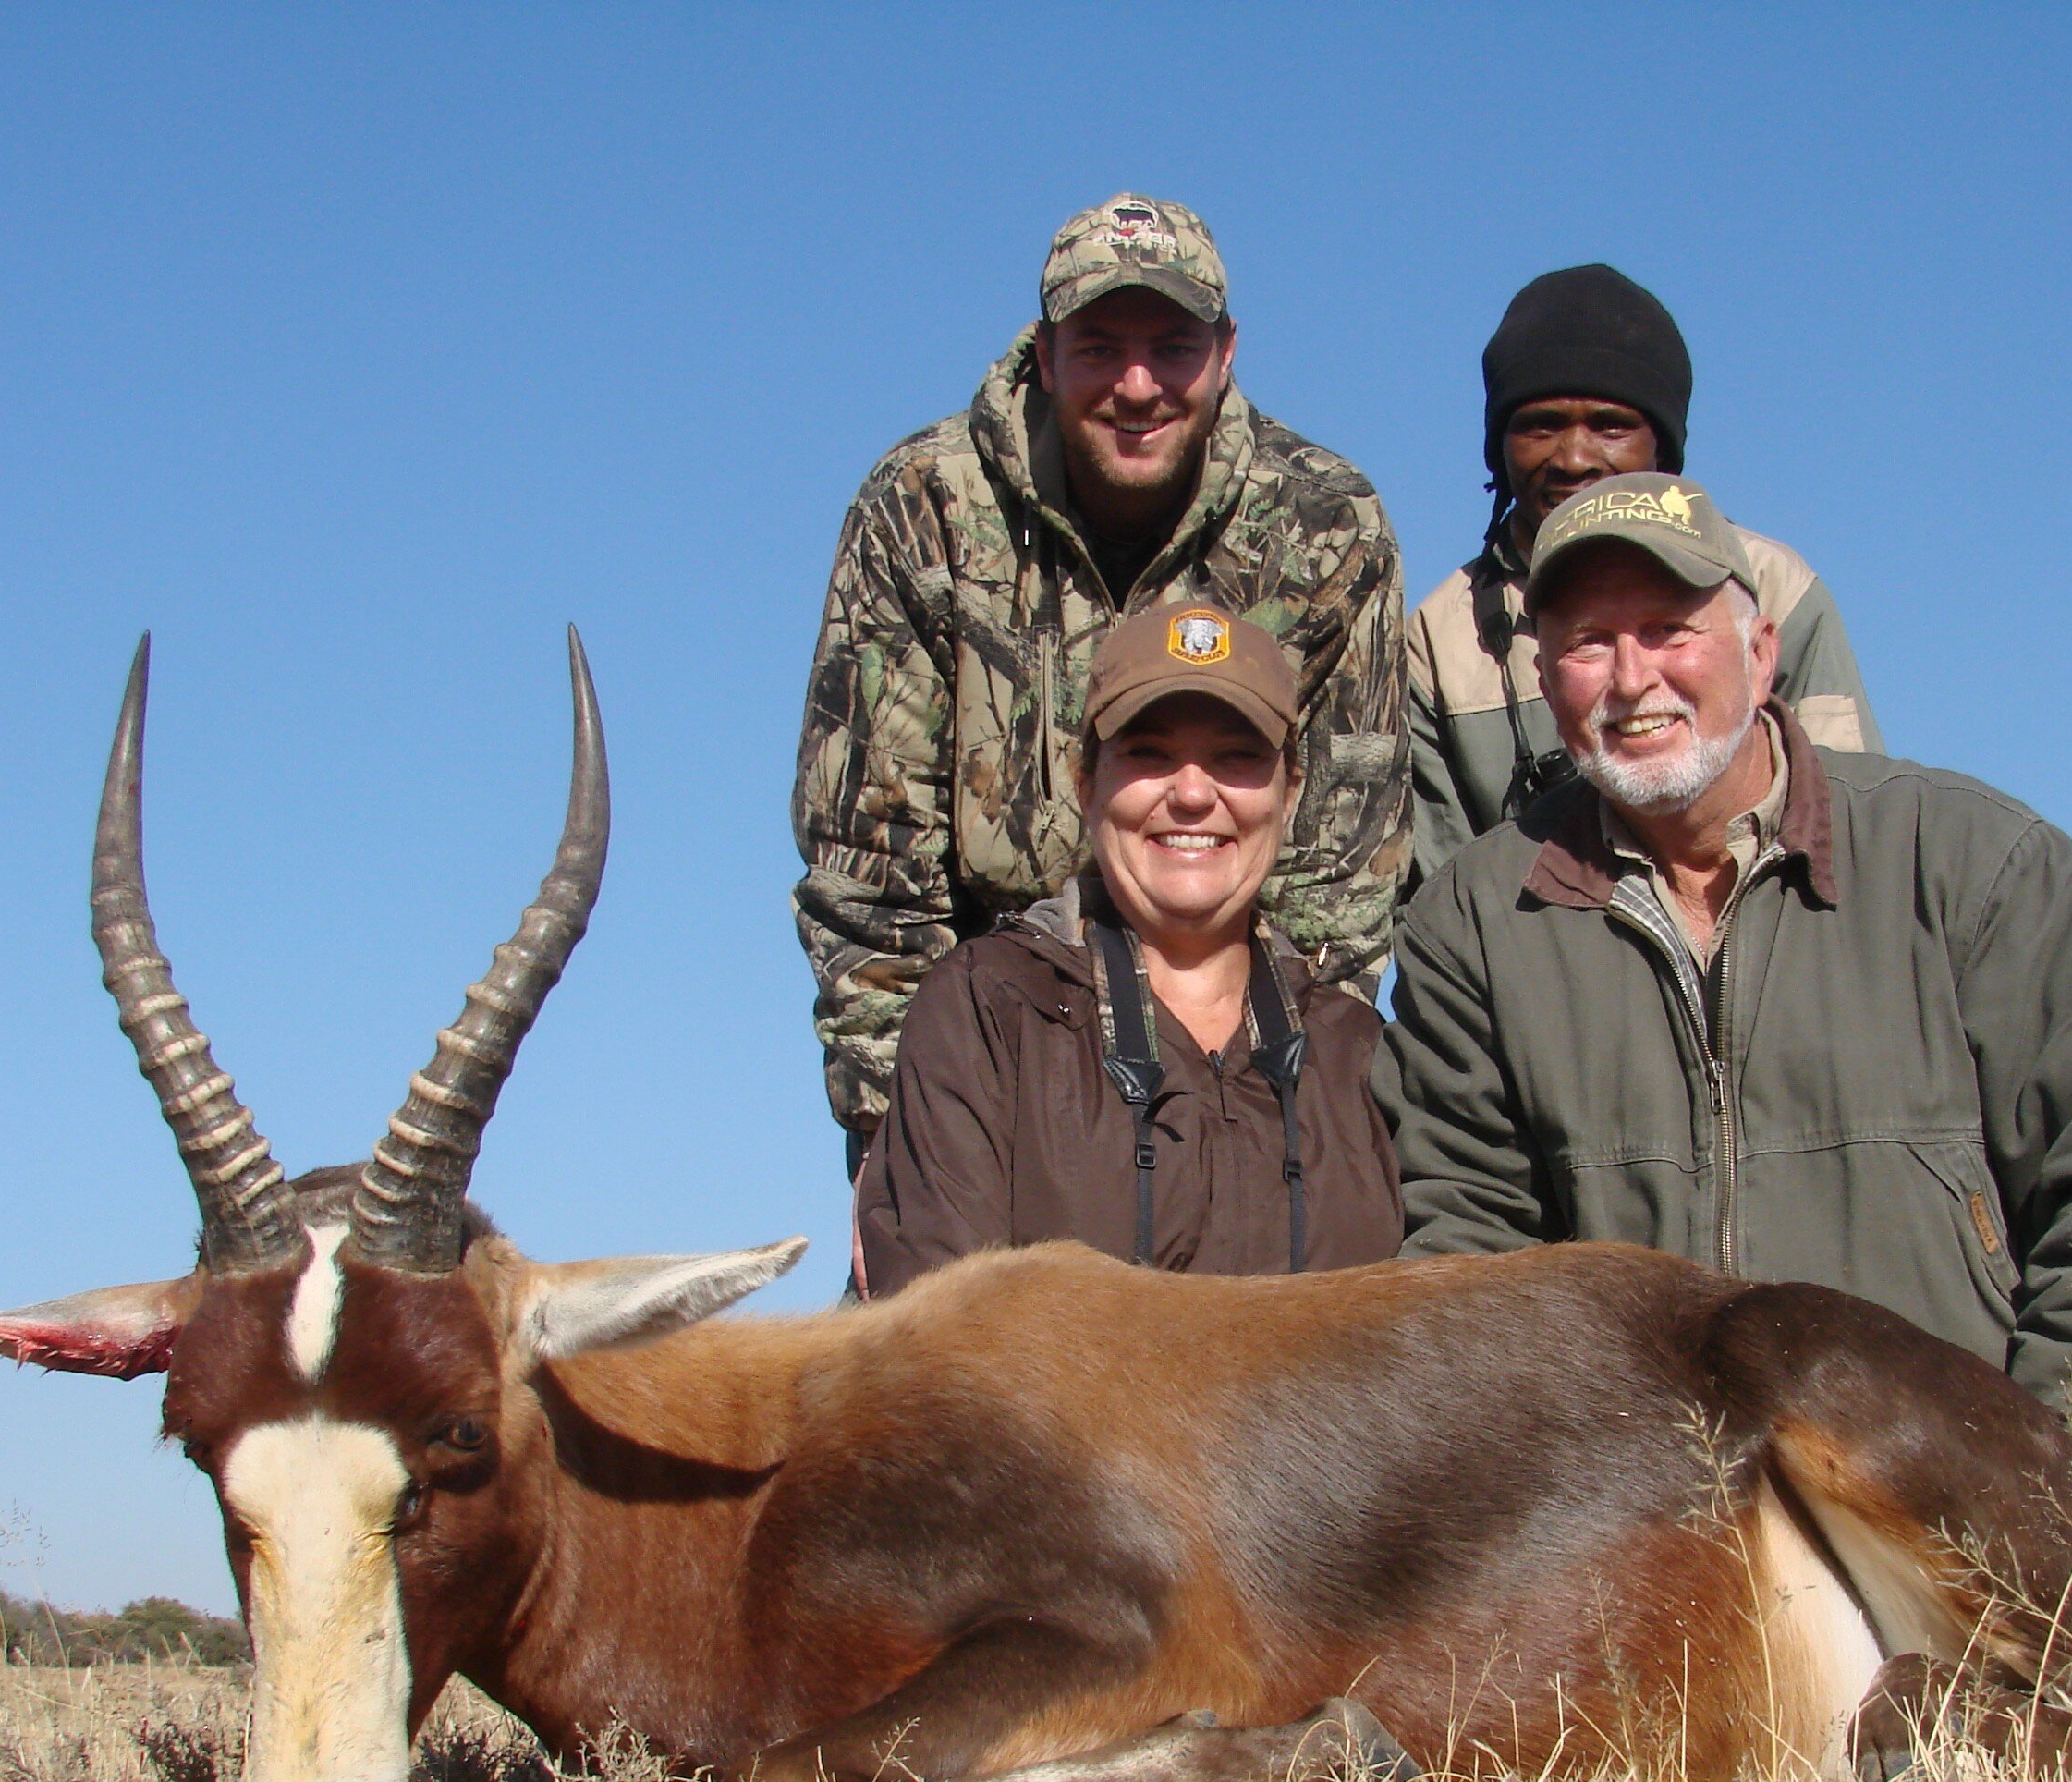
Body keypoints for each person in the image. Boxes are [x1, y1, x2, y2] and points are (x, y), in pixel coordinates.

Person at [1380, 473, 2072, 1478]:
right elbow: (1465, 1259)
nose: (1631, 677)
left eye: (1669, 629)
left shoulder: (1973, 863)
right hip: (1649, 1550)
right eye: (1587, 642)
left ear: (1762, 650)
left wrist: (2039, 1474)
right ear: (1546, 675)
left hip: (1946, 1507)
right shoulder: (1476, 922)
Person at [797, 194, 1408, 1156]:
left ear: (1226, 353)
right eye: (1098, 348)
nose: (1136, 384)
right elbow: (870, 874)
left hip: (1239, 1061)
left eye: (1171, 347)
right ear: (1043, 354)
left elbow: (1339, 892)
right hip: (989, 1056)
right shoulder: (923, 507)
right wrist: (897, 1144)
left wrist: (1280, 1135)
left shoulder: (1329, 527)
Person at [856, 601, 1402, 1294]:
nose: (1194, 793)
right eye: (1150, 754)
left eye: (1237, 759)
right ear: (1087, 787)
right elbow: (940, 1351)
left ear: (1289, 793)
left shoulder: (1357, 1051)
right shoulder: (987, 1012)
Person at [1405, 264, 1881, 887]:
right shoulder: (1441, 637)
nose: (1573, 457)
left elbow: (1844, 831)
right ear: (1500, 446)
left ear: (1664, 447)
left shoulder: (1773, 586)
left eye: (1610, 425)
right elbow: (1447, 896)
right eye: (1540, 425)